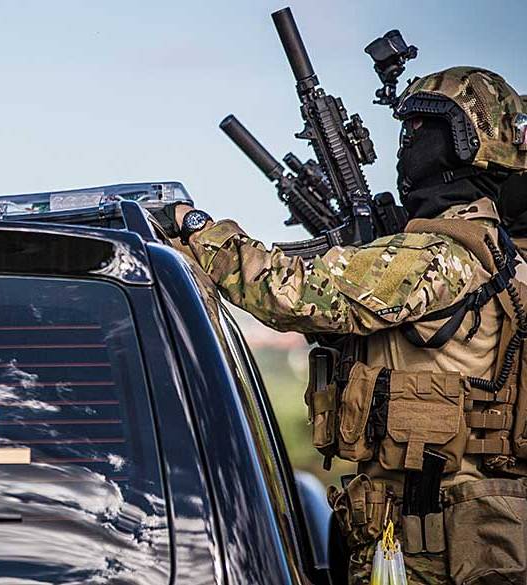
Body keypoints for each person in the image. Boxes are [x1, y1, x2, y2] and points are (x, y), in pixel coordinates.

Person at [156, 67, 527, 584]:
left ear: (465, 143)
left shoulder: (440, 257)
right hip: (452, 536)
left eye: (422, 129)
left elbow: (293, 295)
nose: (407, 144)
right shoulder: (497, 254)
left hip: (433, 547)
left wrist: (194, 228)